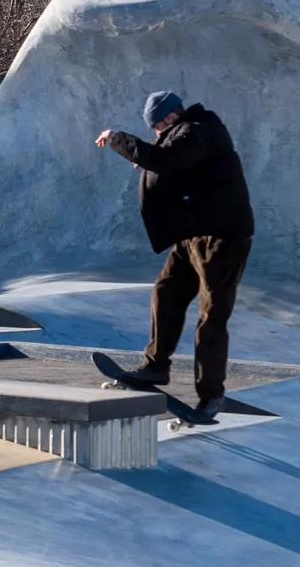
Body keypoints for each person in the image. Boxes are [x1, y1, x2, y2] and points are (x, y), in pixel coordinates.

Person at [94, 90, 254, 420]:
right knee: (166, 292)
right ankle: (155, 367)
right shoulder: (186, 136)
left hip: (221, 238)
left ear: (168, 118)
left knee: (211, 315)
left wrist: (119, 139)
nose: (157, 135)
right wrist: (150, 157)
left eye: (156, 129)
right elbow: (169, 161)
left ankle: (211, 395)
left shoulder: (199, 129)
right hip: (192, 236)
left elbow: (167, 160)